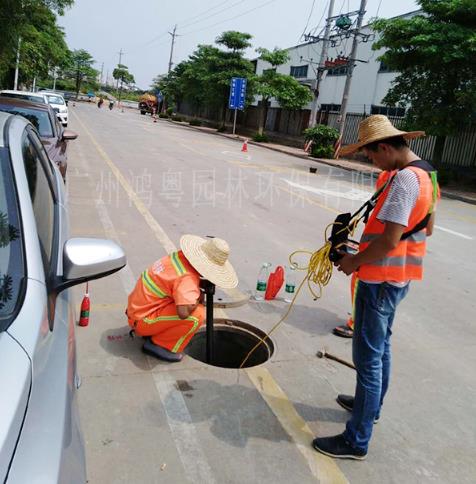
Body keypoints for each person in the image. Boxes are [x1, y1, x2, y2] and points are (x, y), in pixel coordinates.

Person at [312, 115, 439, 460]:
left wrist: (354, 261)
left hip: (380, 279)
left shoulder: (404, 182)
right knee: (381, 348)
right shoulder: (428, 174)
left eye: (371, 156)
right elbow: (426, 228)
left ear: (384, 147)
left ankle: (356, 440)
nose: (372, 162)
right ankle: (371, 407)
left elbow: (389, 239)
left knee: (367, 358)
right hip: (398, 278)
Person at [126, 235, 238, 362]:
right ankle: (160, 345)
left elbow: (174, 282)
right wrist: (198, 297)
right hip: (142, 321)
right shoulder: (187, 279)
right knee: (197, 315)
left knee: (190, 308)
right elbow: (184, 313)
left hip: (138, 310)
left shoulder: (178, 258)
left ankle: (157, 332)